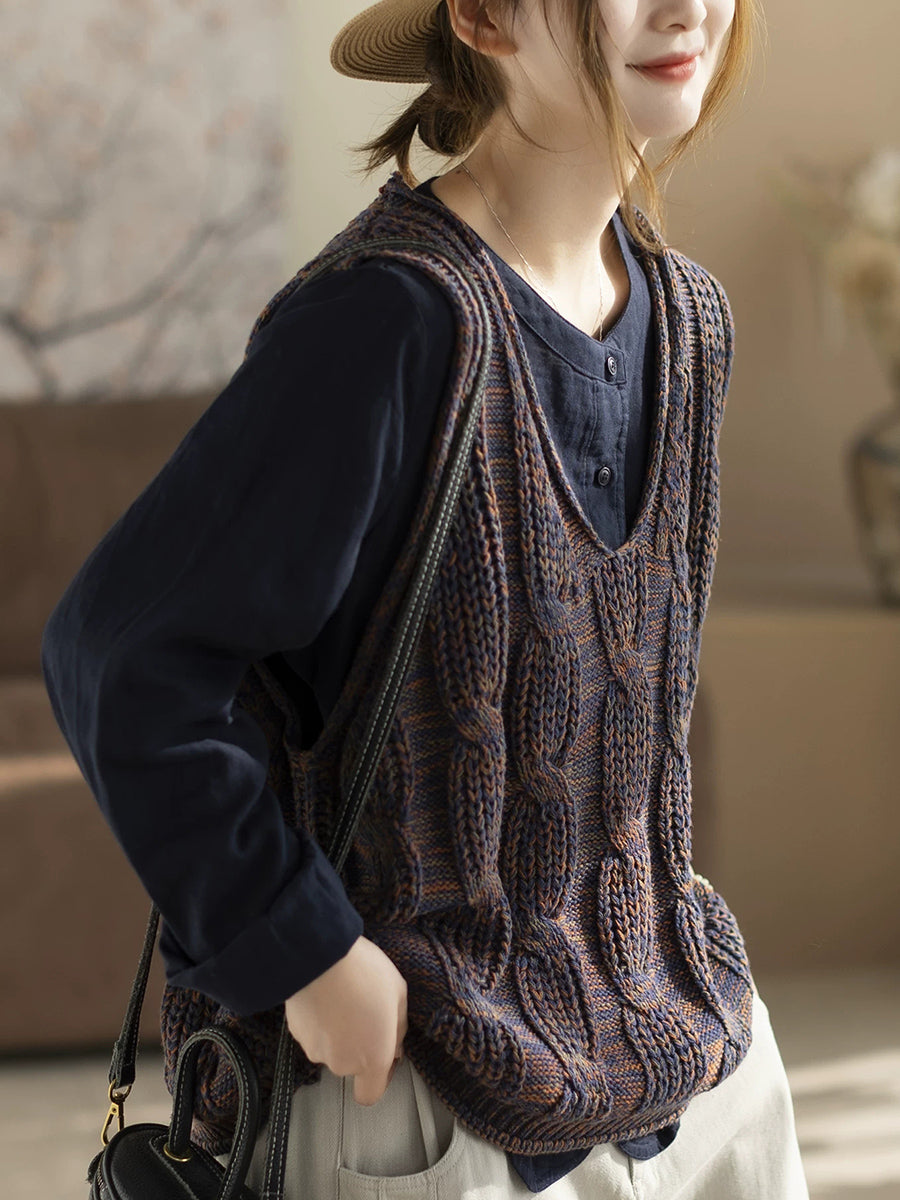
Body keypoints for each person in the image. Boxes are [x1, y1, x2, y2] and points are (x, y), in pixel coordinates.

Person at [41, 0, 811, 1197]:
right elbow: (118, 654)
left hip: (702, 1073)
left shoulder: (689, 320)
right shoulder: (387, 320)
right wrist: (303, 949)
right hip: (428, 1106)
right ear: (487, 17)